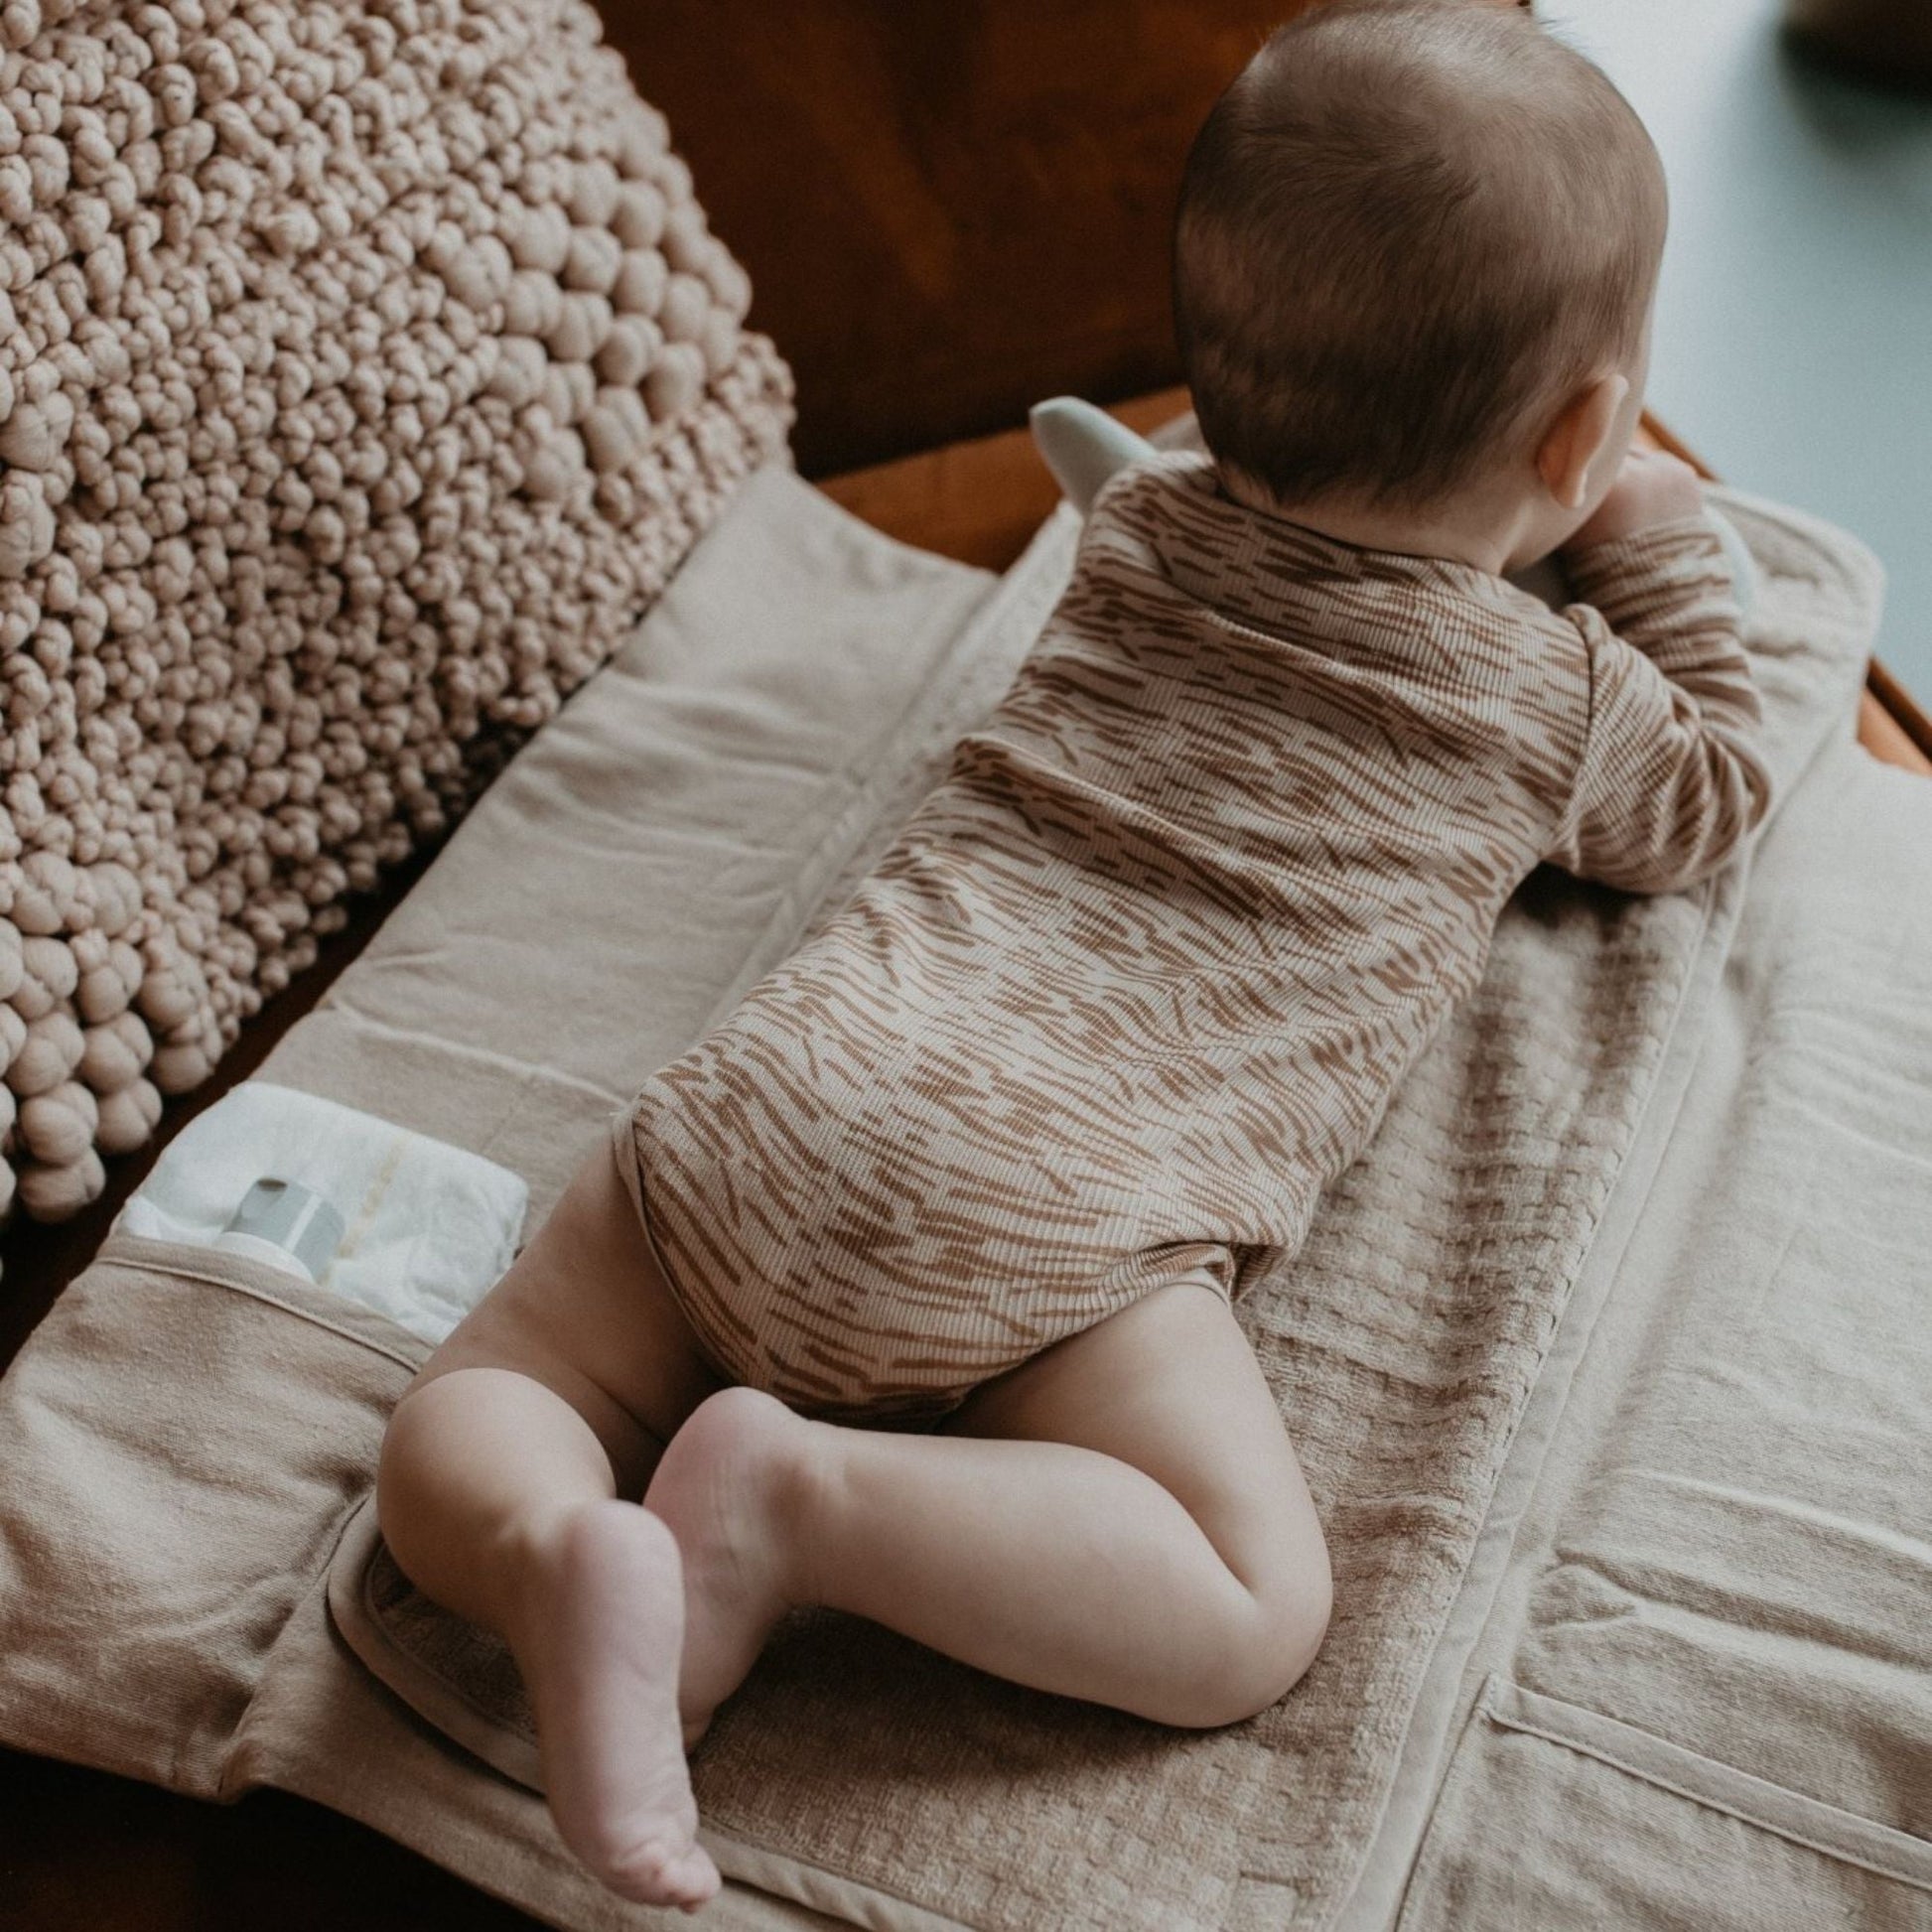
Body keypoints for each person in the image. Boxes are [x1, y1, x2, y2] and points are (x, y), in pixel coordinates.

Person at [375, 1, 1772, 1909]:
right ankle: (801, 1506)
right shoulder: (1552, 694)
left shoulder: (1132, 537)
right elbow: (1706, 807)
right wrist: (1660, 541)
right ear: (1584, 432)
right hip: (1050, 1226)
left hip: (780, 1095)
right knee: (1243, 1599)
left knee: (512, 1372)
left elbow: (1163, 485)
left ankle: (546, 1540)